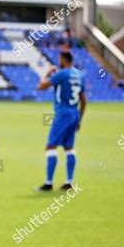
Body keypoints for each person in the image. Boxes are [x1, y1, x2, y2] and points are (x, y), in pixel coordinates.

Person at [37, 51, 86, 191]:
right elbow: (84, 100)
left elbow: (41, 86)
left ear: (63, 59)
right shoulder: (80, 75)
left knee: (51, 146)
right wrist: (80, 119)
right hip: (74, 114)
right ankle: (69, 181)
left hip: (62, 114)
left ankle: (48, 183)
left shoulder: (62, 73)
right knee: (69, 147)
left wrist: (48, 73)